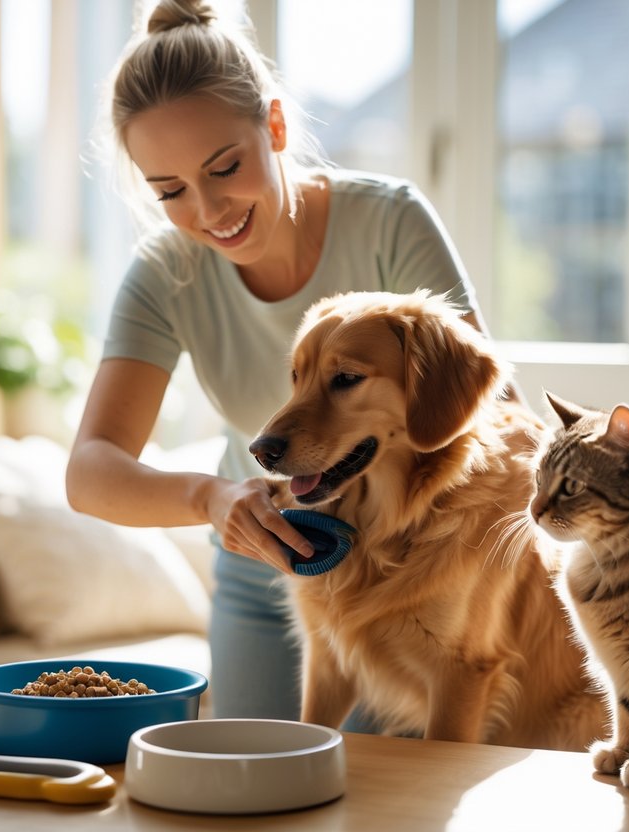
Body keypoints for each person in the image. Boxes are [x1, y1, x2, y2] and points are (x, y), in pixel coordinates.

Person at [66, 0, 498, 724]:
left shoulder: (389, 220)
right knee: (249, 788)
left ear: (273, 126)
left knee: (377, 798)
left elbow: (480, 404)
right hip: (268, 570)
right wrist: (208, 498)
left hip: (414, 568)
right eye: (168, 191)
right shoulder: (166, 273)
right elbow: (90, 471)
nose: (206, 211)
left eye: (223, 167)